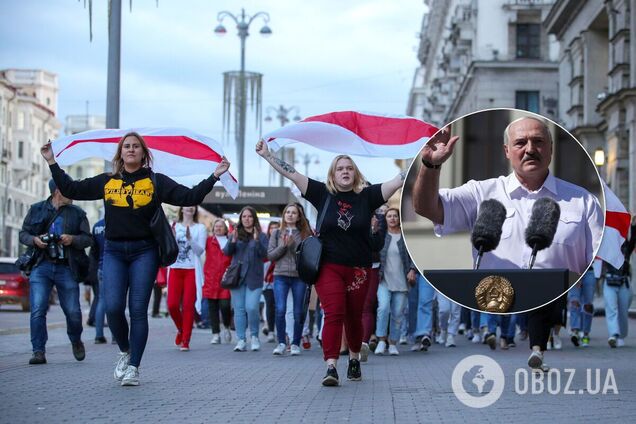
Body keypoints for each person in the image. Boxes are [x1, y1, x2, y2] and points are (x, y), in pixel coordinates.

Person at [412, 116, 603, 372]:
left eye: (538, 142)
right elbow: (427, 207)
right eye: (520, 143)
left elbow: (596, 255)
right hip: (494, 311)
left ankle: (538, 346)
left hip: (554, 304)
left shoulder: (583, 201)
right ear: (507, 151)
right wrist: (429, 165)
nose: (530, 149)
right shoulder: (482, 193)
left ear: (550, 148)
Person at [41, 132, 230, 386]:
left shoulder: (155, 181)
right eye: (126, 146)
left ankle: (133, 367)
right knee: (113, 308)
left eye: (136, 147)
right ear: (120, 153)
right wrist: (52, 161)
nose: (131, 150)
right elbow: (72, 188)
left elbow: (190, 197)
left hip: (145, 252)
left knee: (138, 310)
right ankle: (125, 350)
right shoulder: (108, 181)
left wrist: (214, 176)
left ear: (143, 153)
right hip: (115, 251)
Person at [256, 139, 404, 387]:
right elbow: (292, 174)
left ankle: (355, 358)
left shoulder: (368, 196)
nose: (345, 171)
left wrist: (425, 158)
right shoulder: (321, 193)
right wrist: (268, 156)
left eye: (349, 168)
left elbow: (400, 179)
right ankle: (332, 366)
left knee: (354, 317)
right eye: (340, 168)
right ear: (333, 174)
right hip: (329, 266)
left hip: (359, 268)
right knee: (334, 313)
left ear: (355, 173)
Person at [19, 179, 92, 365]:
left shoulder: (78, 213)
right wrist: (35, 240)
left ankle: (76, 340)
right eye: (69, 189)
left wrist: (72, 239)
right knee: (37, 309)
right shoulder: (36, 209)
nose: (73, 192)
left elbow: (88, 239)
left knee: (74, 312)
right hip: (41, 266)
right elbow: (23, 234)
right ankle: (38, 351)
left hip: (66, 266)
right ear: (58, 191)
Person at [268, 203, 312, 356]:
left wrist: (293, 247)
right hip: (280, 275)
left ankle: (295, 343)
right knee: (280, 309)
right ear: (284, 215)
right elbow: (271, 255)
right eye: (288, 212)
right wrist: (284, 247)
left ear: (299, 216)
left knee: (298, 311)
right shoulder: (276, 232)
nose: (290, 215)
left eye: (294, 212)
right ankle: (281, 342)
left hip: (299, 276)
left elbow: (307, 256)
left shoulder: (305, 232)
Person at [223, 206, 269, 352]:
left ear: (254, 218)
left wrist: (256, 241)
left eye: (249, 216)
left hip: (254, 278)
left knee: (252, 307)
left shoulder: (261, 236)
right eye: (244, 217)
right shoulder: (235, 233)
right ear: (241, 219)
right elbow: (226, 252)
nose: (247, 219)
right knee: (239, 310)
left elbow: (265, 255)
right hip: (237, 278)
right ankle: (241, 339)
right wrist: (233, 240)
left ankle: (254, 337)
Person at [374, 208, 417, 356]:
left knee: (398, 313)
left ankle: (393, 343)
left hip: (402, 281)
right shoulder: (381, 236)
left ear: (399, 219)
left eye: (395, 216)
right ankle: (381, 340)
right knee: (383, 308)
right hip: (383, 280)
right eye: (389, 216)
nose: (392, 218)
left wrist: (412, 269)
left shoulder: (406, 237)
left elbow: (415, 255)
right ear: (385, 219)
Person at [167, 206, 206, 351]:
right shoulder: (174, 225)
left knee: (189, 306)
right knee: (172, 305)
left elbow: (200, 250)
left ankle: (186, 340)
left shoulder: (200, 228)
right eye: (187, 205)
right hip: (176, 269)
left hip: (191, 270)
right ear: (182, 209)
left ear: (195, 210)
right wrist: (171, 237)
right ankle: (181, 329)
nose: (190, 208)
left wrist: (190, 239)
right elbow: (168, 248)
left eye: (192, 206)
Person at [603, 215, 635, 347]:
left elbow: (633, 239)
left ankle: (621, 335)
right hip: (610, 280)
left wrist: (633, 225)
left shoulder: (627, 246)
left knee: (622, 310)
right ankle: (613, 335)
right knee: (612, 309)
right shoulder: (606, 243)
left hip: (623, 282)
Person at [203, 218, 233, 344]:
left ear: (225, 229)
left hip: (225, 279)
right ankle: (216, 334)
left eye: (221, 226)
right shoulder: (209, 241)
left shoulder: (230, 241)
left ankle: (226, 326)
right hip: (211, 278)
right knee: (212, 308)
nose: (218, 228)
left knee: (225, 306)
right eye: (216, 226)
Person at [262, 221, 280, 343]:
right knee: (270, 305)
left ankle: (280, 330)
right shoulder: (266, 243)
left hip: (280, 277)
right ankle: (271, 331)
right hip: (268, 279)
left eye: (276, 228)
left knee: (280, 307)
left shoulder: (284, 240)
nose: (273, 230)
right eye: (271, 228)